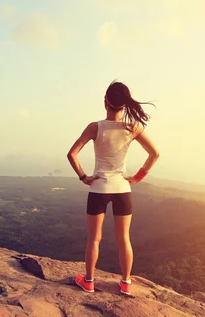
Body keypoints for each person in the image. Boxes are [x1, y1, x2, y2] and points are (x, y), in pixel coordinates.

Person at [67, 80, 160, 295]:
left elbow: (72, 154)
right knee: (124, 239)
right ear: (124, 105)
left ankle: (88, 280)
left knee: (94, 239)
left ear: (105, 102)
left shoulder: (95, 127)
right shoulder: (132, 128)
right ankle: (126, 283)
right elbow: (154, 154)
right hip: (122, 189)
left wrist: (83, 177)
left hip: (98, 188)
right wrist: (137, 178)